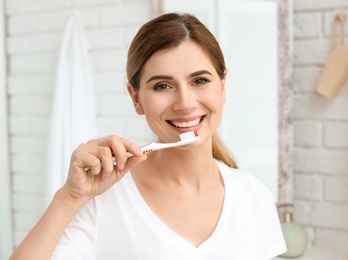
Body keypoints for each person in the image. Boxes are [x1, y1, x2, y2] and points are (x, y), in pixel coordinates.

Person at [10, 12, 286, 260]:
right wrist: (69, 197)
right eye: (162, 85)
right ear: (136, 99)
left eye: (200, 81)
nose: (185, 103)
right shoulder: (104, 202)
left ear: (223, 87)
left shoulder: (253, 196)